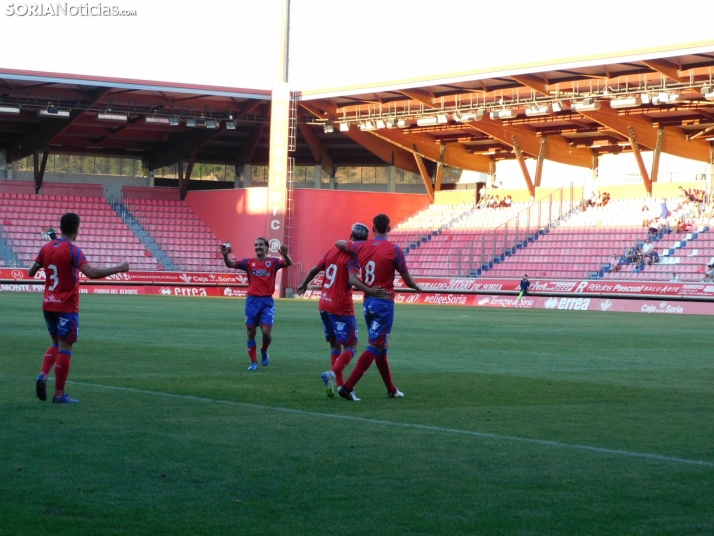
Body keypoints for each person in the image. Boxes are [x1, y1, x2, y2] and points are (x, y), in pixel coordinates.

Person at [29, 213, 130, 403]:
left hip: (48, 304)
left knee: (55, 344)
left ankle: (43, 375)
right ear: (77, 230)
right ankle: (59, 395)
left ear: (60, 227)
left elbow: (31, 272)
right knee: (66, 348)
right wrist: (119, 268)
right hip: (66, 305)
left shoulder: (46, 248)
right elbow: (91, 273)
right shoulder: (74, 250)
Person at [333, 213, 422, 401]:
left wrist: (350, 245)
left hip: (368, 302)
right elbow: (406, 279)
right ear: (389, 229)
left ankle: (391, 389)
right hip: (384, 302)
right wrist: (416, 286)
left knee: (382, 346)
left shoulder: (361, 245)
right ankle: (348, 387)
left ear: (372, 229)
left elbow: (339, 243)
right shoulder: (394, 250)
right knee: (376, 345)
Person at [296, 223, 390, 398]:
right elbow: (354, 280)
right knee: (352, 346)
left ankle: (339, 386)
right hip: (341, 307)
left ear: (350, 235)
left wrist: (304, 283)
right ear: (364, 242)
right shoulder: (353, 257)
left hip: (324, 305)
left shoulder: (332, 250)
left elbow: (316, 269)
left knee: (335, 345)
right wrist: (370, 291)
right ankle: (332, 373)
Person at [220, 237, 292, 370]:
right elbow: (230, 264)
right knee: (251, 331)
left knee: (266, 332)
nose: (258, 247)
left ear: (266, 248)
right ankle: (254, 362)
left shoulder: (273, 262)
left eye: (260, 245)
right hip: (252, 301)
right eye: (256, 245)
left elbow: (289, 263)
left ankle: (264, 349)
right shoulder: (248, 262)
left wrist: (286, 255)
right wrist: (225, 256)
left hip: (267, 302)